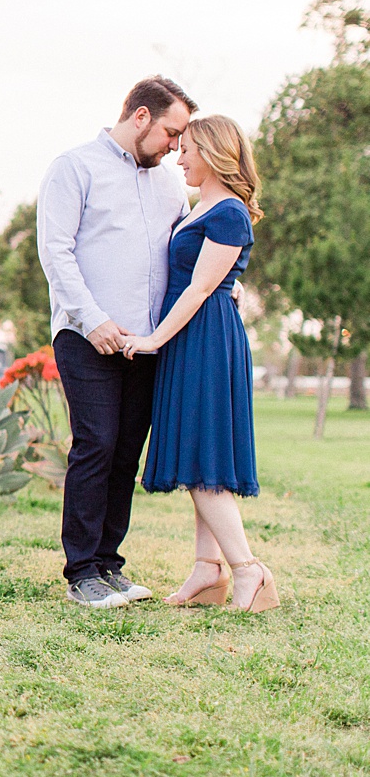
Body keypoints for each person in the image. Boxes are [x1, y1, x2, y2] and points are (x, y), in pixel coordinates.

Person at [37, 76, 195, 609]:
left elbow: (186, 250)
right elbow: (56, 252)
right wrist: (92, 318)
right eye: (172, 133)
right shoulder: (75, 167)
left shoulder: (169, 186)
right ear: (142, 117)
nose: (176, 147)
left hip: (146, 343)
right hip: (87, 337)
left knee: (126, 452)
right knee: (97, 444)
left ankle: (109, 563)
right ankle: (81, 571)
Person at [121, 116, 277, 612]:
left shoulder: (228, 212)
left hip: (205, 338)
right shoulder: (202, 207)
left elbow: (202, 287)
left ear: (212, 153)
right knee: (198, 455)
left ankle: (249, 570)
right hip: (192, 336)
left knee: (202, 454)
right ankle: (207, 571)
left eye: (187, 148)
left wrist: (151, 340)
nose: (179, 156)